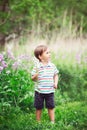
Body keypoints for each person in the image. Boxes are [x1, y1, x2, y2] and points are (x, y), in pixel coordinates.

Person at [31, 45, 59, 123]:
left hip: (50, 91)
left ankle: (52, 121)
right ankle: (38, 122)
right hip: (39, 92)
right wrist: (36, 75)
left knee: (51, 107)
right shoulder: (37, 66)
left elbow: (56, 75)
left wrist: (55, 83)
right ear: (40, 56)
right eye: (47, 53)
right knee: (38, 107)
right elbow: (32, 78)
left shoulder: (52, 65)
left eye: (49, 52)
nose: (49, 54)